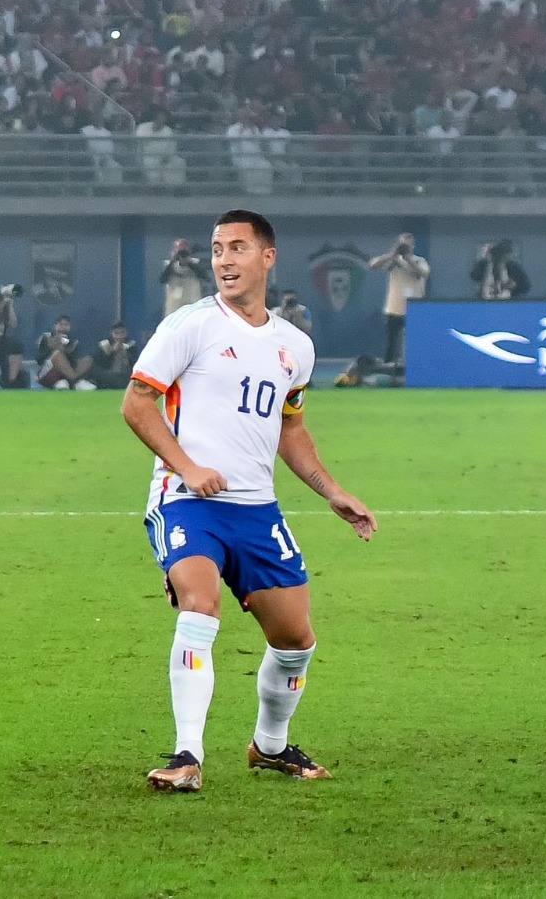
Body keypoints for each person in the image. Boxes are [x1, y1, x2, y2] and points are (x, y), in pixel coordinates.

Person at [122, 209, 378, 794]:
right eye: (217, 250)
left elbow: (291, 429)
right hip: (186, 501)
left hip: (257, 511)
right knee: (200, 606)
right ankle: (187, 755)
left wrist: (332, 490)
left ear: (267, 257)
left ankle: (270, 746)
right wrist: (188, 468)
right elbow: (136, 404)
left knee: (295, 640)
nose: (224, 260)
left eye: (237, 248)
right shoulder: (190, 325)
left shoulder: (295, 347)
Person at [368, 234, 429, 362]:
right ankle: (389, 365)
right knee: (392, 342)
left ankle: (415, 363)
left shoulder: (419, 260)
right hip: (394, 308)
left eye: (408, 245)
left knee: (415, 341)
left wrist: (408, 259)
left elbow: (424, 273)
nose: (405, 247)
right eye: (403, 244)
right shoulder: (393, 261)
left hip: (413, 307)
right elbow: (373, 265)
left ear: (413, 246)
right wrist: (393, 254)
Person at [36, 314, 96, 390]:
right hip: (49, 371)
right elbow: (39, 360)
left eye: (66, 324)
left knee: (88, 359)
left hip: (67, 371)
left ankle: (75, 381)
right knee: (58, 355)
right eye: (61, 324)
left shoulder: (73, 342)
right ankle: (76, 382)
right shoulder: (46, 337)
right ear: (55, 326)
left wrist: (66, 350)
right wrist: (53, 347)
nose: (63, 327)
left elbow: (74, 362)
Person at [160, 239, 207, 316]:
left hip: (192, 303)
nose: (182, 254)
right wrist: (173, 260)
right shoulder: (169, 266)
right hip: (174, 307)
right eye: (180, 252)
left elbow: (204, 276)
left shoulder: (195, 264)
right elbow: (162, 279)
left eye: (184, 251)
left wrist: (189, 262)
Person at [90, 320, 136, 389]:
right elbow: (101, 363)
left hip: (125, 374)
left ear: (126, 333)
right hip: (109, 373)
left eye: (122, 332)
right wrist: (112, 351)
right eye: (116, 333)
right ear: (112, 334)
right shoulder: (105, 344)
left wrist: (125, 352)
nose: (120, 336)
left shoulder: (131, 344)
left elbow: (133, 362)